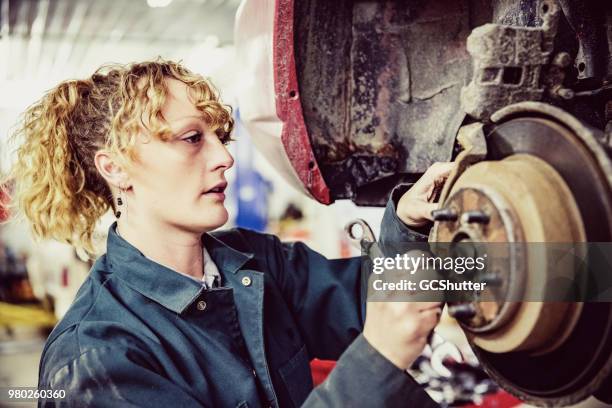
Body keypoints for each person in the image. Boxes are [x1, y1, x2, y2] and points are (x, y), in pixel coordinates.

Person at [2, 59, 453, 407]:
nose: (225, 157)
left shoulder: (253, 263)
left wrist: (407, 226)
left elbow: (370, 298)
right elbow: (379, 338)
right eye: (192, 138)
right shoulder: (94, 359)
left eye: (219, 136)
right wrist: (375, 363)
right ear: (115, 167)